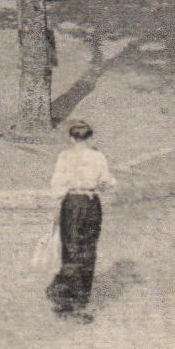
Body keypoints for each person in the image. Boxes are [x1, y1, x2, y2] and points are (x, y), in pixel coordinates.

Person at [46, 120, 116, 320]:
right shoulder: (98, 157)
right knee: (88, 249)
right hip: (91, 204)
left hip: (72, 203)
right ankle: (82, 301)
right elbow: (107, 181)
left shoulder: (65, 156)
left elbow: (57, 184)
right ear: (89, 137)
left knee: (71, 248)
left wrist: (60, 200)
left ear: (71, 138)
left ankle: (67, 299)